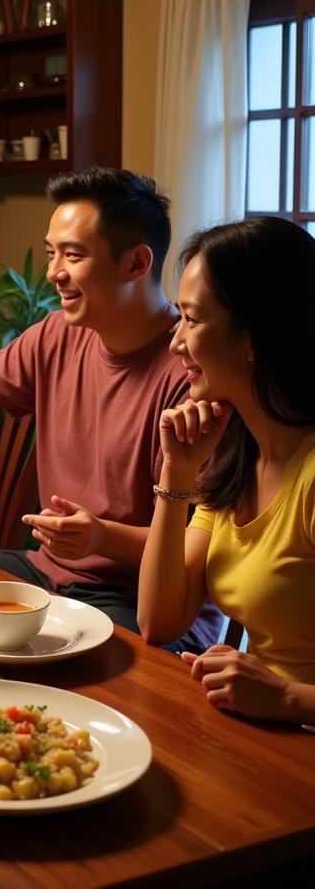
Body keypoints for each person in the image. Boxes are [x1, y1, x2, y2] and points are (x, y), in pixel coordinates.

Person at [0, 167, 220, 650]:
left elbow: (200, 548)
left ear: (136, 264)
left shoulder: (193, 371)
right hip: (43, 573)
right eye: (51, 252)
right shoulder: (58, 333)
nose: (54, 271)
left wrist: (101, 538)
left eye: (73, 254)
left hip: (135, 598)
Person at [138, 217, 315, 722]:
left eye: (192, 319)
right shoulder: (241, 456)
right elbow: (159, 620)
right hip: (257, 730)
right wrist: (177, 474)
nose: (175, 342)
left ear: (252, 337)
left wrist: (284, 696)